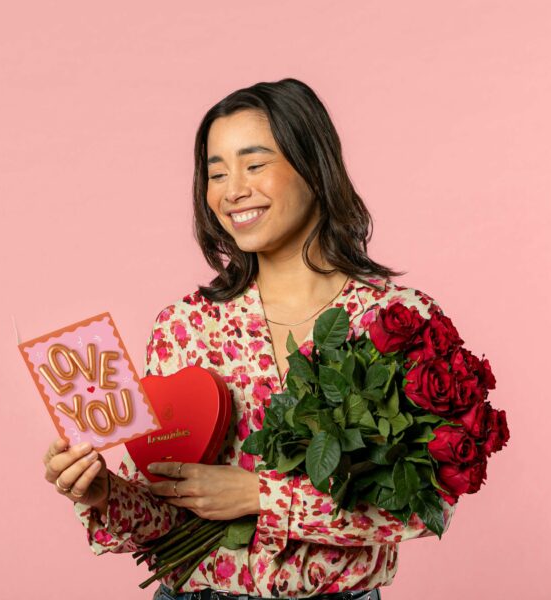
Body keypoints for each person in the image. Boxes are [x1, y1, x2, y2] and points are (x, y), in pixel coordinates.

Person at [41, 78, 457, 599]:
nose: (232, 190)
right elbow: (165, 509)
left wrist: (262, 495)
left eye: (254, 165)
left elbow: (425, 506)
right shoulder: (185, 326)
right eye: (216, 174)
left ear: (314, 166)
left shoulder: (395, 321)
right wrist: (103, 492)